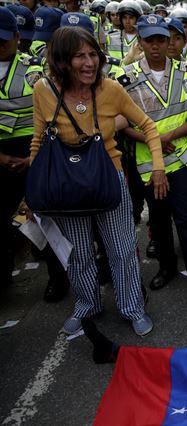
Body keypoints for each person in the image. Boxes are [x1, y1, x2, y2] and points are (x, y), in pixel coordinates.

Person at [29, 26, 169, 335]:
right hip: (64, 187)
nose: (90, 62)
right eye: (80, 56)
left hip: (108, 180)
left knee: (121, 250)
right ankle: (86, 306)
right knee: (78, 253)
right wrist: (34, 187)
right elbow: (38, 139)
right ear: (61, 60)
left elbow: (148, 126)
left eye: (93, 54)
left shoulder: (111, 89)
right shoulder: (43, 90)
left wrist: (158, 167)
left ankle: (132, 307)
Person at [118, 15, 187, 306]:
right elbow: (121, 123)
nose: (157, 45)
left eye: (162, 39)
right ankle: (167, 267)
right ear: (141, 42)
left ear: (170, 41)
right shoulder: (126, 79)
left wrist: (170, 135)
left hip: (181, 158)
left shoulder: (186, 71)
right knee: (158, 220)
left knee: (186, 219)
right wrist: (154, 140)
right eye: (150, 40)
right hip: (148, 162)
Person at [0, 6, 70, 301]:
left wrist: (35, 156)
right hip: (1, 155)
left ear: (17, 37)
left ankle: (58, 277)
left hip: (36, 149)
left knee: (44, 214)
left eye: (4, 38)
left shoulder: (34, 70)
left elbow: (52, 114)